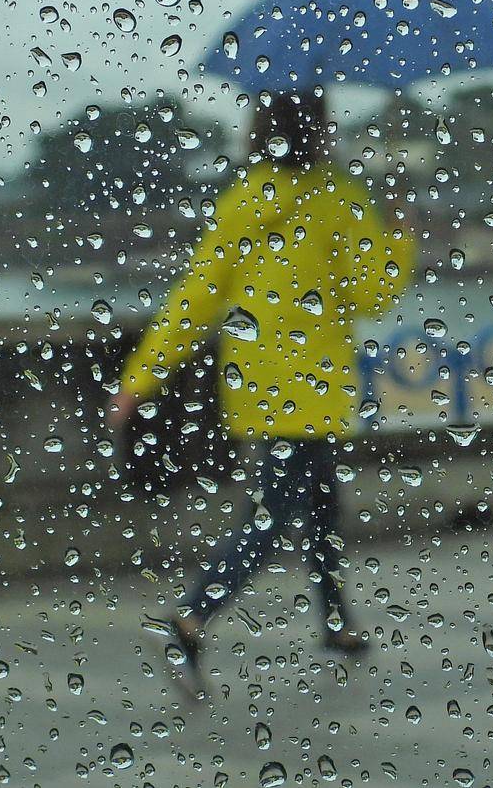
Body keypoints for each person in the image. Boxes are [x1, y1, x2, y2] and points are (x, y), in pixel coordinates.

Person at [108, 89, 414, 696]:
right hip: (319, 386)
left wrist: (137, 381)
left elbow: (193, 302)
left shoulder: (244, 201)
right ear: (322, 131)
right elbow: (371, 296)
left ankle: (335, 621)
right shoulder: (342, 201)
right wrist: (398, 237)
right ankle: (193, 615)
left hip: (255, 386)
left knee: (321, 505)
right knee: (272, 516)